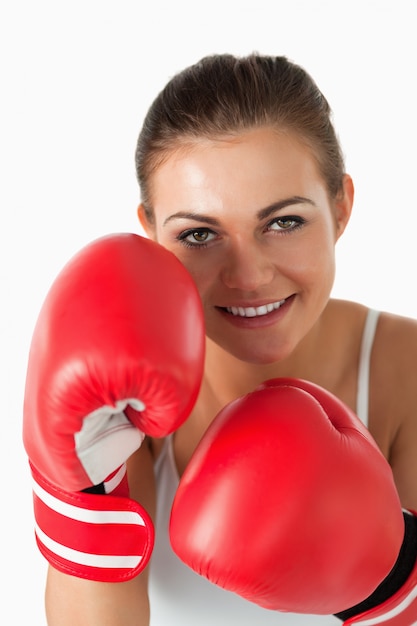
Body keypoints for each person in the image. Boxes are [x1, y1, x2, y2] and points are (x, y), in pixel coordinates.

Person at [23, 54, 417, 625]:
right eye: (200, 233)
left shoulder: (406, 372)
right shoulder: (124, 396)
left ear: (341, 208)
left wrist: (387, 588)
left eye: (283, 222)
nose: (248, 276)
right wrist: (76, 497)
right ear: (153, 234)